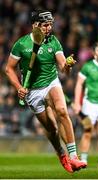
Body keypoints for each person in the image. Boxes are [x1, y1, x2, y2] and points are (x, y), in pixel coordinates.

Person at [5, 10, 86, 173]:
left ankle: (74, 156)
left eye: (50, 24)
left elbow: (63, 68)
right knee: (52, 129)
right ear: (35, 25)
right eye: (45, 25)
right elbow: (9, 69)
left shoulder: (53, 41)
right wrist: (19, 88)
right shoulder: (21, 44)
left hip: (51, 82)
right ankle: (61, 153)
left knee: (62, 111)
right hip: (32, 92)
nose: (49, 28)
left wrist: (67, 65)